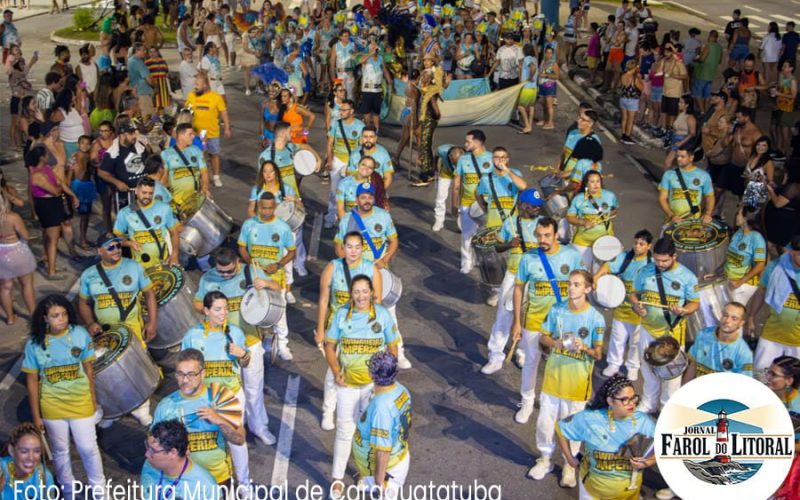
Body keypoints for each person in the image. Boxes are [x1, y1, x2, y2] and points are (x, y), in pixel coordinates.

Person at [21, 295, 105, 499]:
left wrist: (93, 398)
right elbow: (32, 382)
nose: (62, 319)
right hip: (52, 407)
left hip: (81, 402)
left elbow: (88, 367)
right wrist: (36, 415)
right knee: (60, 451)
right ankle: (68, 490)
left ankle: (100, 491)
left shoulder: (79, 334)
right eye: (55, 316)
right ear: (44, 319)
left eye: (64, 314)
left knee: (88, 449)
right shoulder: (34, 344)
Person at [324, 274, 399, 500]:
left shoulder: (383, 315)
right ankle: (337, 479)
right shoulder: (340, 315)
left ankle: (362, 473)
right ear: (351, 294)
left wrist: (384, 381)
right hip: (347, 386)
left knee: (367, 436)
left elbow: (393, 348)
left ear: (372, 292)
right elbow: (329, 346)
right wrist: (336, 372)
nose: (360, 296)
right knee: (345, 433)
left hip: (372, 388)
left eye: (364, 291)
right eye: (356, 292)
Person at [527, 270, 605, 486]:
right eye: (570, 284)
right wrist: (556, 344)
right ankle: (544, 459)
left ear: (588, 289)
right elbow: (544, 337)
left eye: (577, 285)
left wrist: (585, 348)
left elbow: (598, 354)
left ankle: (569, 466)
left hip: (578, 384)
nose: (571, 288)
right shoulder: (557, 310)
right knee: (545, 423)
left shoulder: (595, 318)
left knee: (573, 428)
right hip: (553, 379)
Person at [511, 218, 584, 424]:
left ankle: (556, 403)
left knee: (563, 363)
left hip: (565, 323)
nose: (542, 240)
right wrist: (517, 322)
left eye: (547, 235)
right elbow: (518, 289)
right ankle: (526, 402)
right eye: (539, 235)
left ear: (556, 235)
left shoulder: (571, 255)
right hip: (534, 320)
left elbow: (582, 283)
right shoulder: (528, 258)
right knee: (531, 362)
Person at [181, 291, 251, 488]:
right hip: (203, 398)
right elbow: (183, 371)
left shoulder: (235, 333)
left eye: (226, 309)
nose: (223, 314)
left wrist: (243, 354)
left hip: (230, 397)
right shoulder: (192, 336)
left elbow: (246, 363)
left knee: (236, 441)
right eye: (218, 309)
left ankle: (244, 484)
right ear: (206, 311)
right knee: (207, 444)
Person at [316, 232, 382, 430]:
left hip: (363, 329)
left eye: (357, 246)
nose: (353, 251)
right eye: (349, 246)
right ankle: (329, 410)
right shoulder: (332, 267)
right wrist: (320, 329)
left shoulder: (371, 269)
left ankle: (361, 412)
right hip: (338, 326)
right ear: (342, 247)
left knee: (362, 368)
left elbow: (377, 301)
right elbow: (323, 299)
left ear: (363, 248)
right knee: (333, 369)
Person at [152, 348, 245, 486]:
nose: (184, 380)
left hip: (218, 480)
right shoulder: (165, 406)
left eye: (191, 374)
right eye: (180, 374)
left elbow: (239, 439)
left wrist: (219, 420)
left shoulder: (220, 396)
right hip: (182, 482)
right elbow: (153, 447)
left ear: (203, 374)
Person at [630, 237, 700, 413]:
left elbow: (694, 303)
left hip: (672, 333)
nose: (660, 264)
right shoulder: (645, 271)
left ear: (674, 256)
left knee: (671, 375)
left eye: (665, 260)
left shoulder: (687, 277)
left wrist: (684, 310)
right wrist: (636, 306)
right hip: (647, 328)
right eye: (657, 259)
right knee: (647, 368)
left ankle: (667, 408)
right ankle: (649, 403)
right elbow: (634, 294)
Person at [556, 375, 656, 499]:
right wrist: (570, 458)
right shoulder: (590, 419)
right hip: (592, 493)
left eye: (633, 398)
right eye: (624, 399)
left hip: (629, 494)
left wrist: (648, 462)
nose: (631, 404)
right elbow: (561, 429)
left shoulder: (643, 421)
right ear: (610, 401)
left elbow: (666, 446)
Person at [482, 189, 545, 375]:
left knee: (530, 317)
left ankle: (523, 352)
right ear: (523, 206)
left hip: (535, 277)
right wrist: (510, 244)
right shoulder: (511, 224)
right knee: (504, 315)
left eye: (539, 206)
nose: (537, 209)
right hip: (513, 274)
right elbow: (497, 246)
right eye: (533, 206)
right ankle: (495, 356)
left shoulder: (542, 225)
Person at [77, 235, 157, 375]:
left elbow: (149, 294)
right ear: (99, 251)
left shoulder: (134, 266)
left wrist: (152, 322)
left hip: (133, 329)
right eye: (110, 247)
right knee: (118, 372)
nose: (116, 250)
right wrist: (90, 323)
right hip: (107, 333)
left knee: (141, 367)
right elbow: (83, 302)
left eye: (118, 246)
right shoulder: (88, 275)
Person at [238, 192, 296, 360]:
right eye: (264, 208)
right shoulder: (249, 225)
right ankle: (257, 343)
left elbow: (292, 252)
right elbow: (242, 248)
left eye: (271, 208)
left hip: (276, 278)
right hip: (254, 277)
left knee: (279, 312)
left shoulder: (283, 227)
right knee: (254, 309)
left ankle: (283, 345)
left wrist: (278, 265)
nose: (267, 211)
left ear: (275, 207)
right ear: (258, 207)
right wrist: (250, 261)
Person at [353, 351, 412, 500]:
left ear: (372, 374)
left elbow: (383, 452)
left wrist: (379, 482)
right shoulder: (401, 389)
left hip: (387, 470)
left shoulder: (381, 407)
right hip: (397, 458)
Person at [596, 229, 653, 380]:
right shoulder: (625, 257)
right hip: (622, 307)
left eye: (642, 244)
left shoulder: (652, 264)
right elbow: (608, 266)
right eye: (636, 243)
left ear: (649, 246)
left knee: (636, 341)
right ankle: (614, 364)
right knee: (617, 338)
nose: (637, 246)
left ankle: (633, 366)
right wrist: (596, 276)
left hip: (639, 310)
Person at [747, 235, 800, 371]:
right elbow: (761, 292)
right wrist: (751, 317)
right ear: (792, 251)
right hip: (772, 335)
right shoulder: (775, 267)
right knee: (761, 375)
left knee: (796, 384)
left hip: (798, 342)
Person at [28, 144, 77, 281]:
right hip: (47, 206)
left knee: (48, 237)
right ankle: (52, 271)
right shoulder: (37, 175)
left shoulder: (47, 168)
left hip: (52, 204)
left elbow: (60, 183)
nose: (49, 156)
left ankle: (50, 264)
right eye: (47, 154)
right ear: (41, 157)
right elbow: (55, 190)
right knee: (53, 239)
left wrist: (72, 194)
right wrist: (61, 188)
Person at [140, 420, 220, 500]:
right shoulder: (149, 465)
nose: (146, 454)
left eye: (152, 450)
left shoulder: (206, 487)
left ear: (173, 452)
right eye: (147, 446)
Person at [113, 177, 180, 269]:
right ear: (136, 191)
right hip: (139, 267)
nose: (147, 196)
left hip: (163, 263)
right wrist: (129, 243)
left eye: (150, 193)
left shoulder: (164, 208)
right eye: (144, 193)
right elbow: (117, 237)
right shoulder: (125, 213)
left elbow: (174, 232)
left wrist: (175, 255)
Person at [452, 130, 493, 274]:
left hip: (486, 205)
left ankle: (483, 260)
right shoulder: (463, 159)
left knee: (485, 234)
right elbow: (456, 183)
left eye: (468, 141)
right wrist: (454, 204)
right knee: (467, 234)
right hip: (467, 203)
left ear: (478, 142)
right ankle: (467, 262)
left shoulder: (492, 158)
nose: (465, 144)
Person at [683, 302, 753, 381]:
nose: (727, 320)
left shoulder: (744, 353)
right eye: (725, 315)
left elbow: (744, 384)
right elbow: (693, 365)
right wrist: (683, 390)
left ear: (741, 323)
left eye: (734, 318)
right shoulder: (703, 334)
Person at [185, 73, 231, 188]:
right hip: (197, 133)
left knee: (214, 155)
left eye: (197, 84)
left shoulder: (216, 97)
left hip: (212, 132)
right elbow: (187, 111)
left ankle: (216, 176)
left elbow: (223, 112)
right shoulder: (191, 95)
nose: (195, 86)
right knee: (199, 155)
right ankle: (199, 178)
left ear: (205, 85)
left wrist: (227, 127)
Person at [566, 170, 618, 269]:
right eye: (592, 182)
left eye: (598, 181)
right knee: (583, 274)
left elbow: (615, 210)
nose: (596, 184)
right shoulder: (578, 198)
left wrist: (608, 214)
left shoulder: (610, 196)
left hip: (605, 241)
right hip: (583, 242)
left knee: (601, 276)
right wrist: (583, 222)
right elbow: (570, 217)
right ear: (586, 183)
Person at [324, 99, 364, 228]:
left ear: (352, 111)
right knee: (334, 190)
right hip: (338, 160)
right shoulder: (335, 124)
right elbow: (330, 143)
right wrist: (330, 160)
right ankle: (331, 216)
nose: (341, 112)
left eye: (344, 110)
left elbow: (362, 147)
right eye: (340, 110)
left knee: (352, 191)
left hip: (353, 163)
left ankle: (353, 217)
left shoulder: (360, 126)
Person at [98, 119, 149, 214]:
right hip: (126, 195)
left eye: (134, 133)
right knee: (130, 220)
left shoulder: (140, 148)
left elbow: (150, 165)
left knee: (146, 219)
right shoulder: (112, 153)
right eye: (131, 134)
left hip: (144, 192)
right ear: (122, 135)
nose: (134, 136)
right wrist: (117, 182)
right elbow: (101, 173)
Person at [0, 192, 36, 325]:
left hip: (0, 252)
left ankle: (10, 318)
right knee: (26, 284)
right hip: (16, 250)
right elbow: (25, 236)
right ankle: (33, 314)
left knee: (5, 287)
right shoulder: (13, 217)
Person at [475, 146, 527, 232]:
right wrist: (484, 208)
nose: (500, 160)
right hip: (493, 224)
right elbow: (477, 193)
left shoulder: (515, 173)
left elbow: (523, 186)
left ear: (507, 160)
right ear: (492, 160)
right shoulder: (486, 178)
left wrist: (507, 170)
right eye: (497, 157)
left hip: (512, 224)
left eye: (503, 157)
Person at [658, 144, 714, 224]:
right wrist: (671, 215)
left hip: (693, 221)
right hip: (672, 221)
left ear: (691, 158)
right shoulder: (669, 174)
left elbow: (710, 197)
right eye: (677, 156)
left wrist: (708, 214)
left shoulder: (703, 176)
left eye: (682, 156)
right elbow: (662, 198)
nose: (679, 159)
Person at [0, 422, 57, 498]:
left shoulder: (45, 477)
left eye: (37, 451)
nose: (31, 457)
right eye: (24, 451)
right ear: (11, 450)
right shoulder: (2, 468)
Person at [724, 205, 767, 305]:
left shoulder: (757, 238)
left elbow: (760, 265)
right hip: (729, 281)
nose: (736, 216)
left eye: (738, 214)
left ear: (745, 218)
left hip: (742, 285)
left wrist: (739, 282)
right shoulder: (738, 233)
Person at [161, 122, 210, 210]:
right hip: (176, 204)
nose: (193, 136)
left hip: (195, 201)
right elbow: (163, 178)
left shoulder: (196, 151)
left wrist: (205, 187)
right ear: (181, 135)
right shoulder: (166, 154)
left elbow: (204, 173)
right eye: (190, 134)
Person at [357, 38, 392, 131]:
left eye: (375, 45)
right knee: (367, 110)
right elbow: (360, 61)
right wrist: (370, 54)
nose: (374, 47)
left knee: (376, 111)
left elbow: (385, 71)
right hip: (367, 89)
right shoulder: (365, 57)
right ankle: (368, 127)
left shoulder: (381, 58)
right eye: (372, 45)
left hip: (377, 89)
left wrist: (389, 82)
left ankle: (376, 129)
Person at [431, 145, 463, 232]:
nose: (455, 165)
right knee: (440, 197)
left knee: (462, 198)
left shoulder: (467, 155)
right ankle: (439, 220)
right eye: (454, 163)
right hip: (446, 172)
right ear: (449, 157)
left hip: (462, 173)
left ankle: (461, 221)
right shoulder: (442, 150)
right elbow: (436, 155)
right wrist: (434, 166)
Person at [692, 30, 723, 113]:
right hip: (711, 74)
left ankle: (702, 111)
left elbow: (702, 59)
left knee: (697, 93)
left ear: (711, 36)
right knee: (707, 94)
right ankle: (706, 111)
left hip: (702, 72)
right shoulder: (719, 47)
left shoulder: (708, 46)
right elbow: (719, 61)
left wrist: (696, 59)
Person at [618, 59, 643, 144]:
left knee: (624, 118)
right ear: (634, 67)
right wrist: (640, 78)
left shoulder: (623, 75)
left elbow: (620, 86)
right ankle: (627, 137)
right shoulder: (634, 78)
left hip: (623, 99)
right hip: (632, 100)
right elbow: (641, 88)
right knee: (631, 120)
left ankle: (623, 135)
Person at [517, 45, 539, 135]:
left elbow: (532, 68)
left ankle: (527, 126)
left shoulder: (527, 59)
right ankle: (529, 125)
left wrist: (530, 77)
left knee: (520, 106)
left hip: (527, 87)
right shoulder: (535, 59)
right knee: (531, 106)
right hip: (534, 88)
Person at [330, 29, 357, 99]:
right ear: (340, 37)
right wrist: (332, 75)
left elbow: (356, 59)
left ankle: (350, 108)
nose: (347, 38)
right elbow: (332, 61)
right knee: (340, 92)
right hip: (340, 73)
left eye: (348, 36)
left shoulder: (352, 45)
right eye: (345, 36)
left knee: (350, 93)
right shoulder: (336, 46)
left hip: (350, 73)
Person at [538, 46, 559, 129]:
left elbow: (557, 76)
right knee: (543, 104)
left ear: (552, 54)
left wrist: (546, 75)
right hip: (542, 85)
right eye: (547, 53)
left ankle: (550, 123)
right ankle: (544, 119)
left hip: (550, 86)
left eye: (550, 53)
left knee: (549, 105)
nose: (548, 54)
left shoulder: (554, 64)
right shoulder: (543, 61)